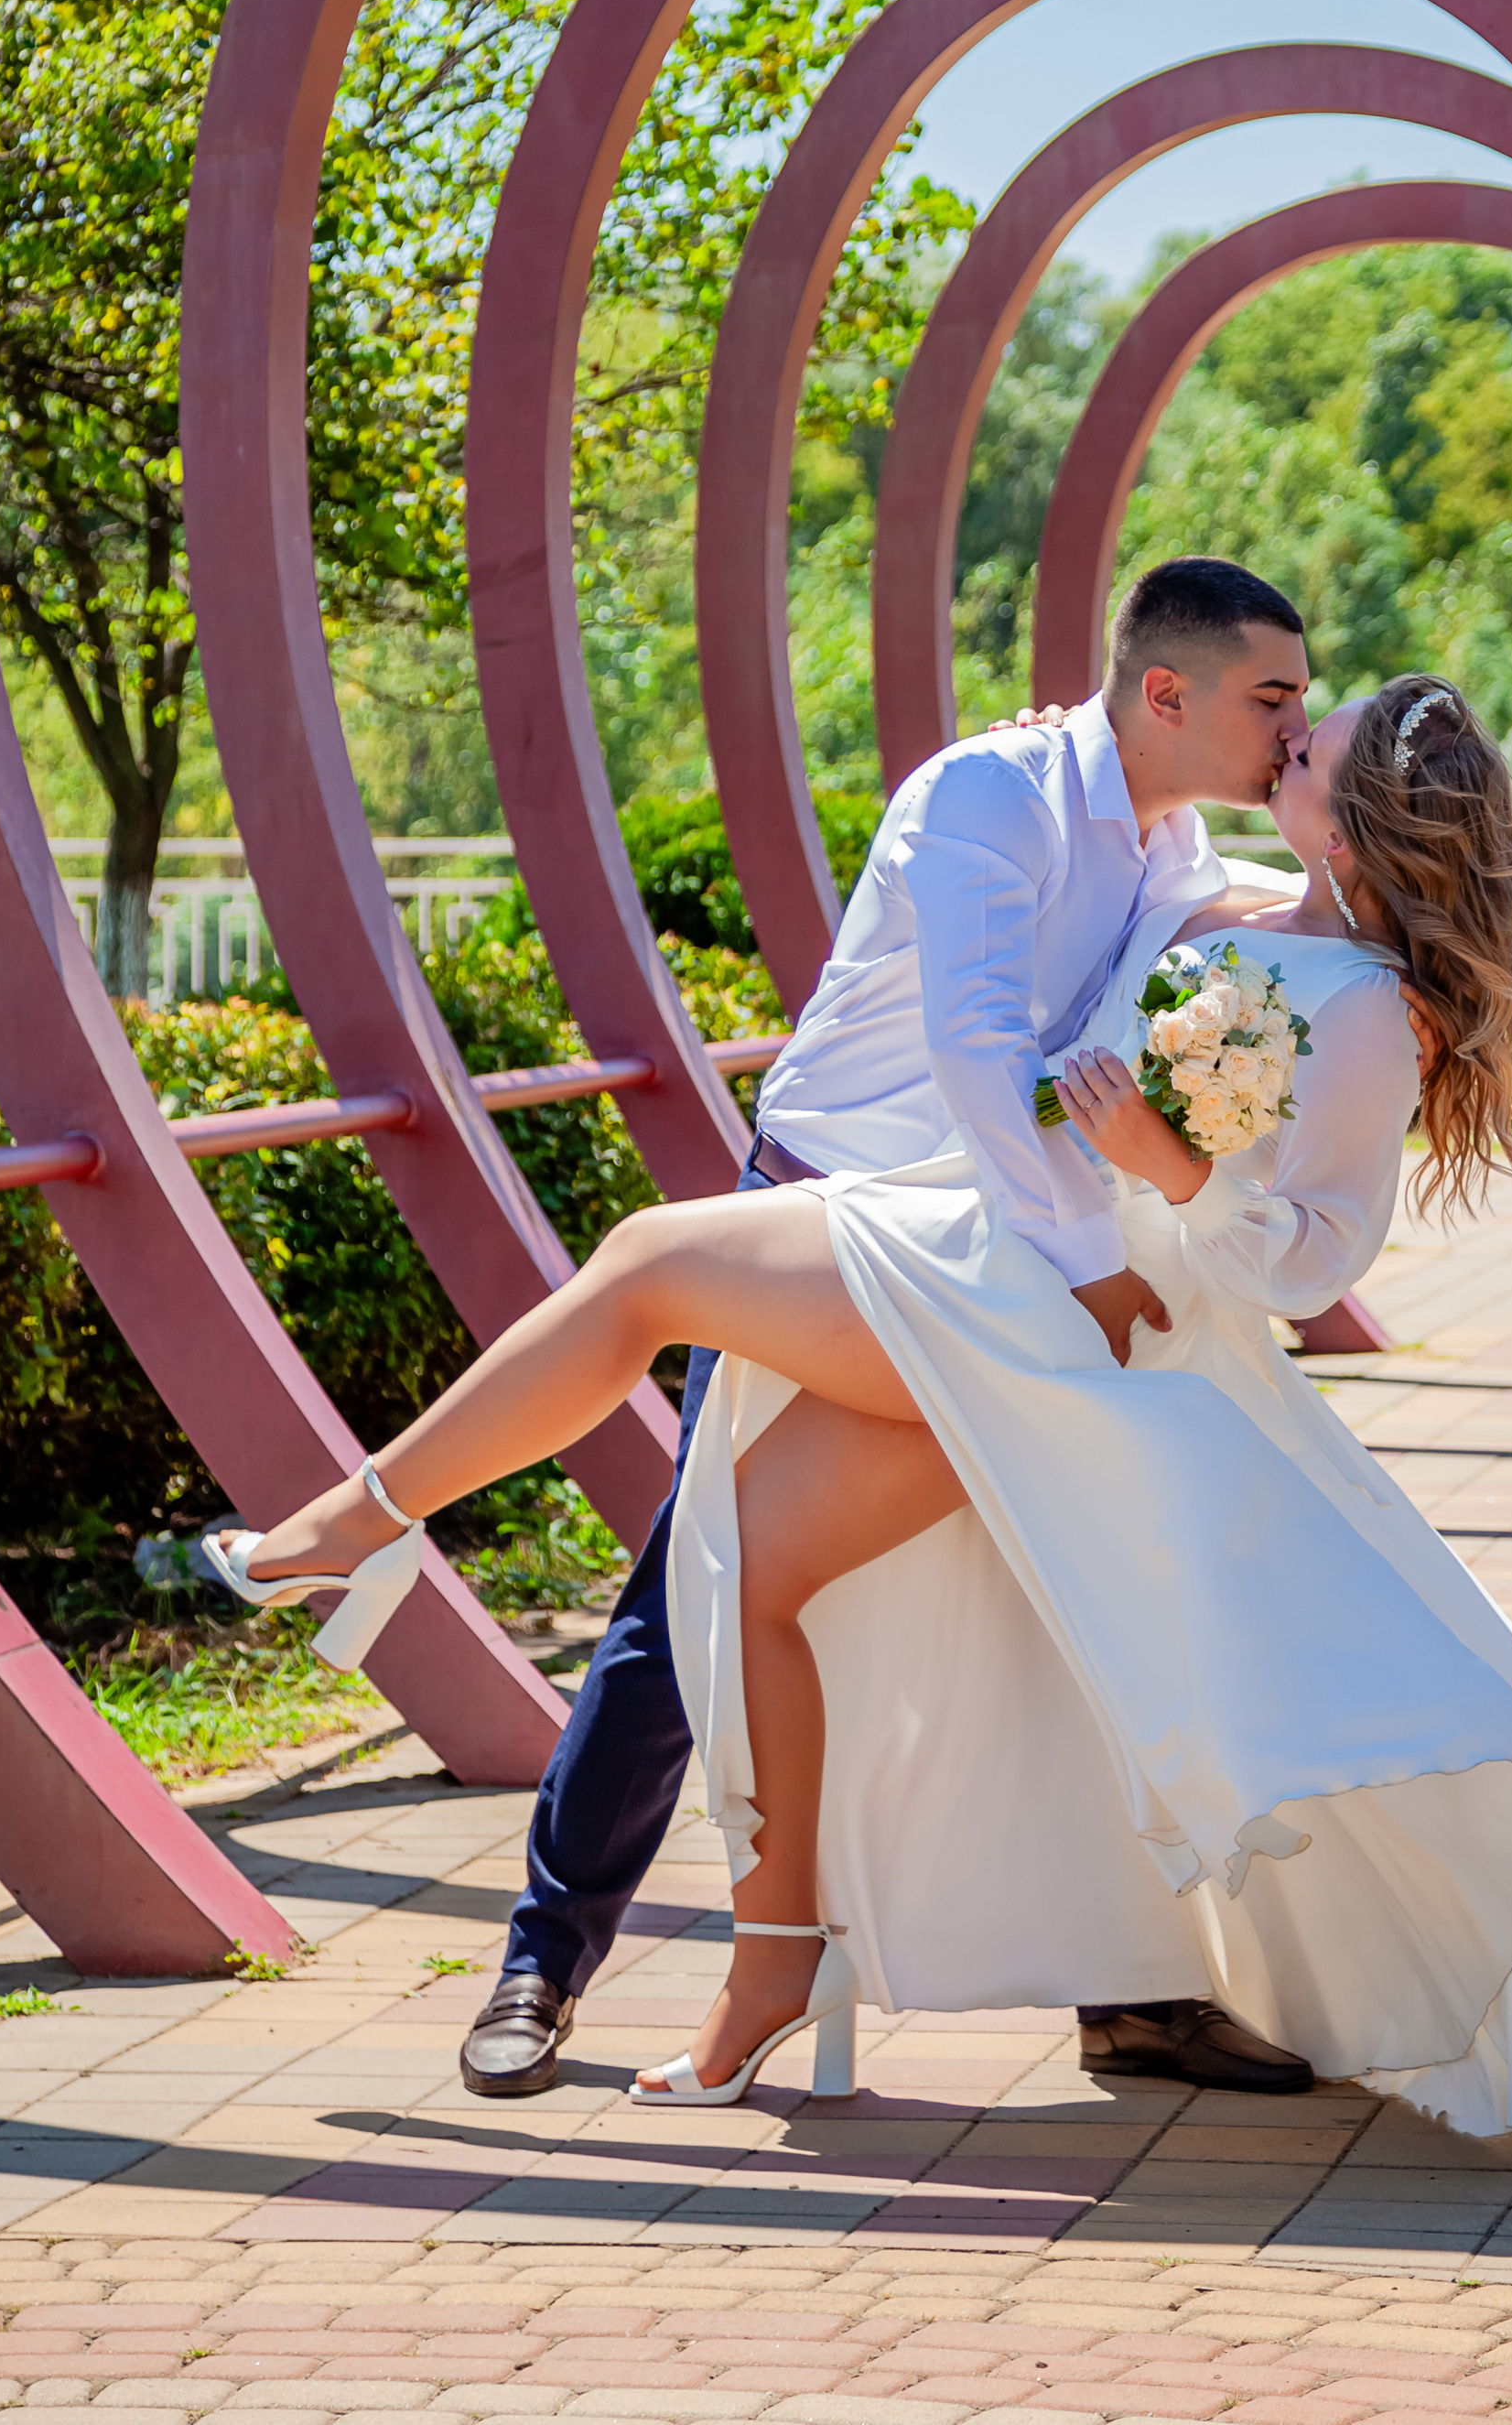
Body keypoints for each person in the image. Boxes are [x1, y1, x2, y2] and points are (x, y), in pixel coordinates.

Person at [209, 668, 1512, 2136]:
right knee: (742, 1563)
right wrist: (1064, 744)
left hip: (1054, 1314)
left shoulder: (1358, 1012)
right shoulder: (1214, 895)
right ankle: (773, 1958)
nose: (1279, 751)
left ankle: (356, 1525)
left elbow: (1314, 1258)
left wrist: (1174, 1167)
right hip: (1001, 1256)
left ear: (1347, 825)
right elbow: (1094, 868)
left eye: (1304, 752)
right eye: (1280, 724)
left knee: (646, 1266)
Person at [289, 557, 1317, 2100]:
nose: (1292, 730)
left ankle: (1136, 1990)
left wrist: (1386, 863)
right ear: (1165, 694)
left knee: (1081, 1579)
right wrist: (1092, 1262)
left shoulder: (1167, 844)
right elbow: (980, 1052)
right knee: (692, 1592)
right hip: (828, 1227)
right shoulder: (991, 800)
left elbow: (1276, 919)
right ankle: (542, 1961)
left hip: (984, 1249)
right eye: (1274, 699)